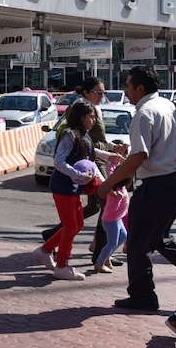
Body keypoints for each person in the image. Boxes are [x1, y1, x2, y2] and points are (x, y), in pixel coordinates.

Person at [98, 66, 176, 311]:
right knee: (160, 238)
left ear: (139, 87)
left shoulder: (144, 113)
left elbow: (139, 155)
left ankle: (142, 296)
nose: (126, 91)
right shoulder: (166, 105)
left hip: (157, 185)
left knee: (138, 243)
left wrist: (109, 182)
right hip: (174, 181)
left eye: (128, 85)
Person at [35, 100, 118, 280]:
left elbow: (91, 156)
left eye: (95, 117)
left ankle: (45, 250)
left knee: (77, 224)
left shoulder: (84, 135)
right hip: (62, 187)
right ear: (81, 117)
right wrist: (78, 175)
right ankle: (62, 265)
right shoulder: (69, 134)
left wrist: (109, 156)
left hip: (73, 188)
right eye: (91, 117)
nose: (94, 120)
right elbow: (59, 162)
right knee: (71, 226)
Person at [94, 137, 130, 274]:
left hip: (117, 219)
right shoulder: (117, 192)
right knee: (112, 242)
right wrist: (114, 197)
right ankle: (99, 262)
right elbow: (112, 208)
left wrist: (120, 156)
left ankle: (105, 256)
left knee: (123, 236)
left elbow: (112, 168)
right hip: (111, 220)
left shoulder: (116, 183)